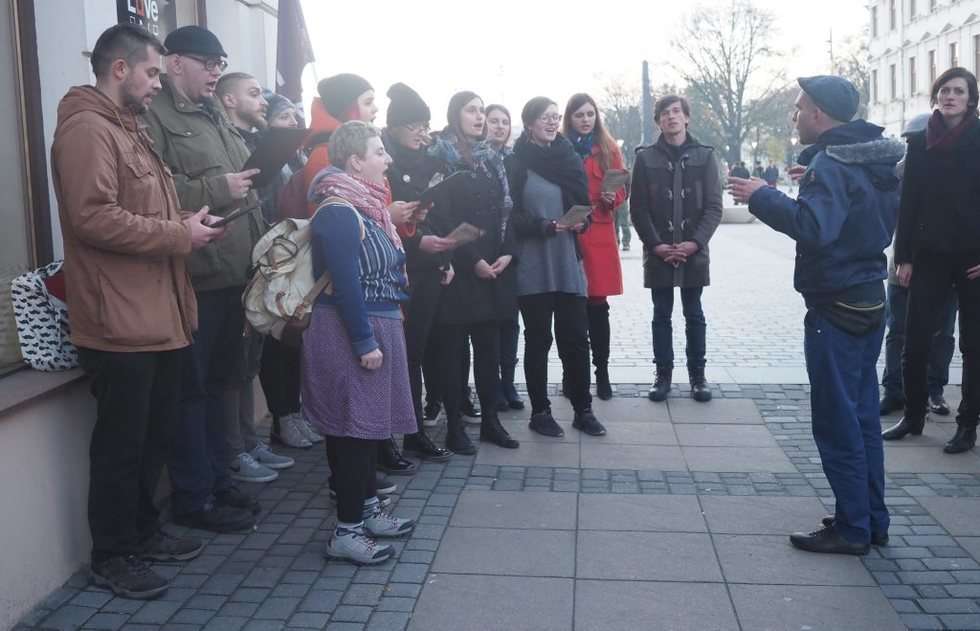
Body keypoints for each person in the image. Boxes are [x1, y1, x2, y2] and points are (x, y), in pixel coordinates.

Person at [52, 23, 220, 599]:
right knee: (122, 447)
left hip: (159, 317)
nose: (158, 83)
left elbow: (144, 211)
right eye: (152, 72)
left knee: (153, 438)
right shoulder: (87, 129)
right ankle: (112, 554)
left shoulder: (130, 128)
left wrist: (191, 228)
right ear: (119, 69)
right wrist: (178, 235)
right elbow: (92, 217)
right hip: (119, 324)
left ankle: (143, 533)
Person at [730, 75, 903, 555]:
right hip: (870, 297)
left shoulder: (832, 163)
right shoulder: (874, 158)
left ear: (819, 115)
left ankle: (851, 528)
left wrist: (763, 195)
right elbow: (856, 215)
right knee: (864, 414)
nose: (794, 116)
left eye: (799, 108)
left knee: (837, 420)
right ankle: (872, 518)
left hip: (836, 304)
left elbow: (814, 228)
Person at [143, 25, 263, 533]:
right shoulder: (153, 114)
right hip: (196, 277)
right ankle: (194, 498)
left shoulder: (216, 113)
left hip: (235, 271)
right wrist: (219, 185)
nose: (215, 70)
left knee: (220, 385)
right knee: (190, 393)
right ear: (174, 63)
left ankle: (219, 478)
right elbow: (154, 187)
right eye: (205, 62)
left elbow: (243, 183)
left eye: (220, 63)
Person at [303, 121, 416, 564]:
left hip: (374, 324)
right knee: (351, 432)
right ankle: (346, 531)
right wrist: (366, 341)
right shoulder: (339, 210)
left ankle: (368, 511)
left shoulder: (370, 209)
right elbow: (346, 285)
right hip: (350, 331)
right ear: (355, 161)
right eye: (378, 151)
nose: (387, 159)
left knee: (366, 430)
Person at [884, 67, 980, 454]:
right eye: (944, 89)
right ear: (936, 96)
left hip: (973, 259)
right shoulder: (919, 140)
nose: (950, 96)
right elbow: (909, 203)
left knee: (973, 346)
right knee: (915, 339)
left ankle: (967, 425)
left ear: (970, 99)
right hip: (928, 255)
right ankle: (913, 415)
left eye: (958, 91)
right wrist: (903, 256)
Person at [426, 91, 521, 453]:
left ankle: (491, 423)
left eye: (483, 110)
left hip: (494, 270)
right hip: (460, 272)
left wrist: (508, 253)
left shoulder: (492, 160)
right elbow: (442, 219)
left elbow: (506, 212)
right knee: (453, 354)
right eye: (472, 110)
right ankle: (454, 426)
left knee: (489, 351)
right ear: (455, 115)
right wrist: (473, 260)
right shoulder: (440, 160)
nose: (480, 117)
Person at [507, 96, 607, 438]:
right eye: (544, 118)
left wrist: (582, 222)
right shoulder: (516, 162)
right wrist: (545, 226)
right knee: (538, 340)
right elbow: (510, 217)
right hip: (533, 265)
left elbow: (584, 205)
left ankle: (583, 409)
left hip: (567, 262)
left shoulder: (568, 158)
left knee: (577, 339)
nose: (552, 123)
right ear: (530, 123)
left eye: (554, 117)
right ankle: (541, 412)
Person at [215, 72, 297, 482]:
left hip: (260, 262)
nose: (263, 101)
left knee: (249, 361)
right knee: (231, 366)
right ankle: (233, 451)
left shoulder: (257, 142)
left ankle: (248, 441)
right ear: (228, 100)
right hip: (230, 263)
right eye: (252, 94)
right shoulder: (225, 140)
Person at [630, 95, 722, 403]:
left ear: (686, 118)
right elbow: (638, 209)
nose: (671, 117)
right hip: (659, 253)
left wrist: (694, 243)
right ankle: (663, 375)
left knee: (694, 314)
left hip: (694, 252)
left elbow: (713, 207)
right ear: (658, 121)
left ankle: (698, 376)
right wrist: (656, 245)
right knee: (661, 315)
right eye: (664, 114)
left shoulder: (705, 156)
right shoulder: (644, 159)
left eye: (676, 112)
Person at [382, 82, 455, 462]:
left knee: (414, 352)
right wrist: (416, 242)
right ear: (394, 127)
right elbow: (378, 221)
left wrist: (443, 257)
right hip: (391, 271)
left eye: (426, 125)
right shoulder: (382, 163)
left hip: (428, 269)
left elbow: (441, 216)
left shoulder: (433, 164)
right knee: (387, 354)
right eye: (414, 125)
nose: (422, 134)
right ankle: (383, 438)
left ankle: (412, 431)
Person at [879, 115, 958, 419]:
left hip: (945, 265)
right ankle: (895, 389)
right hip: (904, 265)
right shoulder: (896, 175)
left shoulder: (953, 171)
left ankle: (934, 389)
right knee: (897, 331)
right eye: (910, 141)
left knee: (943, 333)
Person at [564, 93, 627, 400]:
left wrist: (611, 198)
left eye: (590, 114)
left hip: (599, 233)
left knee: (598, 309)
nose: (586, 119)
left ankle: (602, 373)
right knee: (569, 308)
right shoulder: (560, 148)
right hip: (569, 231)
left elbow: (621, 189)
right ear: (570, 118)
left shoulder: (608, 149)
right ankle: (571, 375)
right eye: (579, 115)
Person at [486, 103, 525, 412]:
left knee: (510, 322)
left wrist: (510, 252)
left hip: (508, 253)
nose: (499, 127)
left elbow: (518, 212)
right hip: (481, 255)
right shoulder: (476, 159)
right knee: (488, 324)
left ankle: (508, 382)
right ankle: (491, 385)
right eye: (494, 121)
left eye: (504, 122)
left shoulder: (515, 163)